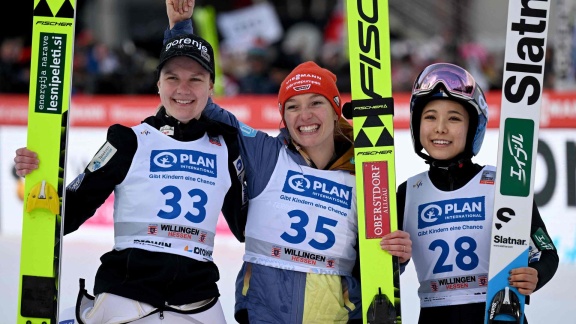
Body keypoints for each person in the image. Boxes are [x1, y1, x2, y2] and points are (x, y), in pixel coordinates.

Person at [163, 2, 412, 323]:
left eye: (315, 103)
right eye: (292, 106)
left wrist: (396, 255)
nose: (304, 115)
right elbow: (199, 103)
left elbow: (376, 261)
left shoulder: (363, 171)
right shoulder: (265, 153)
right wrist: (180, 27)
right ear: (283, 116)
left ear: (335, 109)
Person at [14, 23, 248, 324]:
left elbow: (245, 227)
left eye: (196, 79)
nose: (183, 89)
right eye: (172, 77)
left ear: (211, 85)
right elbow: (69, 213)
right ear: (158, 84)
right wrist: (38, 177)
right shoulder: (128, 141)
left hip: (198, 302)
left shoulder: (226, 146)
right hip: (126, 294)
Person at [385, 62, 559, 324]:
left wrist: (536, 273)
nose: (440, 128)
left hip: (497, 314)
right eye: (430, 116)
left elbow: (546, 251)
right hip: (434, 315)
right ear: (416, 125)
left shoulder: (504, 185)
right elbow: (381, 270)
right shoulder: (407, 193)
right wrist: (394, 261)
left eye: (454, 118)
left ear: (473, 128)